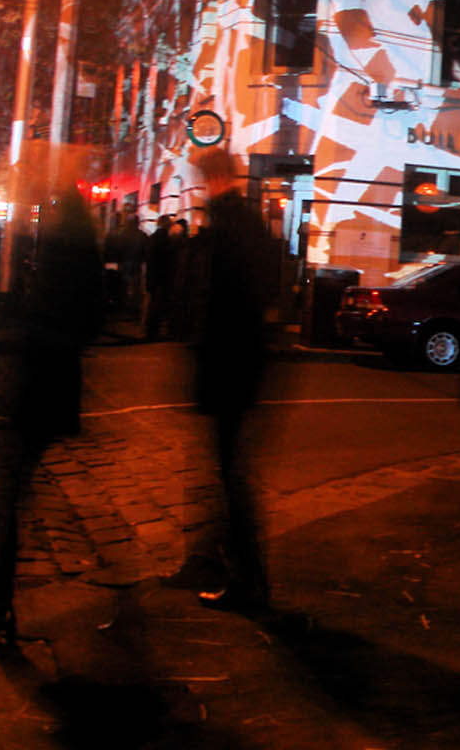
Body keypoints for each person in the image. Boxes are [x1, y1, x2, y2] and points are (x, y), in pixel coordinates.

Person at [0, 183, 103, 648]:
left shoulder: (50, 239)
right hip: (34, 382)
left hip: (22, 383)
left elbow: (59, 314)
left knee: (1, 494)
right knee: (9, 492)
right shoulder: (63, 232)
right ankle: (2, 602)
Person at [189, 147, 275, 613]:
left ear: (216, 178)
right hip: (238, 368)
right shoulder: (242, 222)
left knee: (232, 478)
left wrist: (207, 362)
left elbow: (223, 304)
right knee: (227, 475)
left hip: (230, 369)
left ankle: (248, 581)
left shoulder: (229, 224)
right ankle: (212, 562)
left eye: (205, 178)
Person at [143, 214, 176, 340]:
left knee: (152, 302)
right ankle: (153, 330)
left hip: (152, 274)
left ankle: (150, 329)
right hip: (162, 276)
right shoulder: (167, 240)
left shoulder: (152, 238)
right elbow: (169, 260)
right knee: (158, 304)